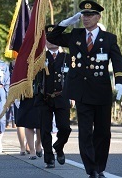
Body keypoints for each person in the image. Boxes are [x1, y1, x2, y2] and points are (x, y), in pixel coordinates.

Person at [46, 0, 122, 178]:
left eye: (90, 15)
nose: (86, 18)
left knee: (103, 132)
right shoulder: (76, 35)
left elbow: (117, 61)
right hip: (81, 92)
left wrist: (120, 82)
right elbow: (51, 36)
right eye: (83, 15)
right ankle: (91, 169)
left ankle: (99, 166)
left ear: (98, 17)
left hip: (102, 91)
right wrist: (68, 22)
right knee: (86, 132)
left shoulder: (109, 38)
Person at [39, 37, 72, 168]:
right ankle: (49, 158)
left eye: (55, 38)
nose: (52, 41)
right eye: (49, 39)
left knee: (65, 128)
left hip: (62, 97)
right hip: (44, 98)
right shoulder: (40, 57)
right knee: (45, 130)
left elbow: (73, 77)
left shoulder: (67, 57)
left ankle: (58, 146)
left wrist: (73, 96)